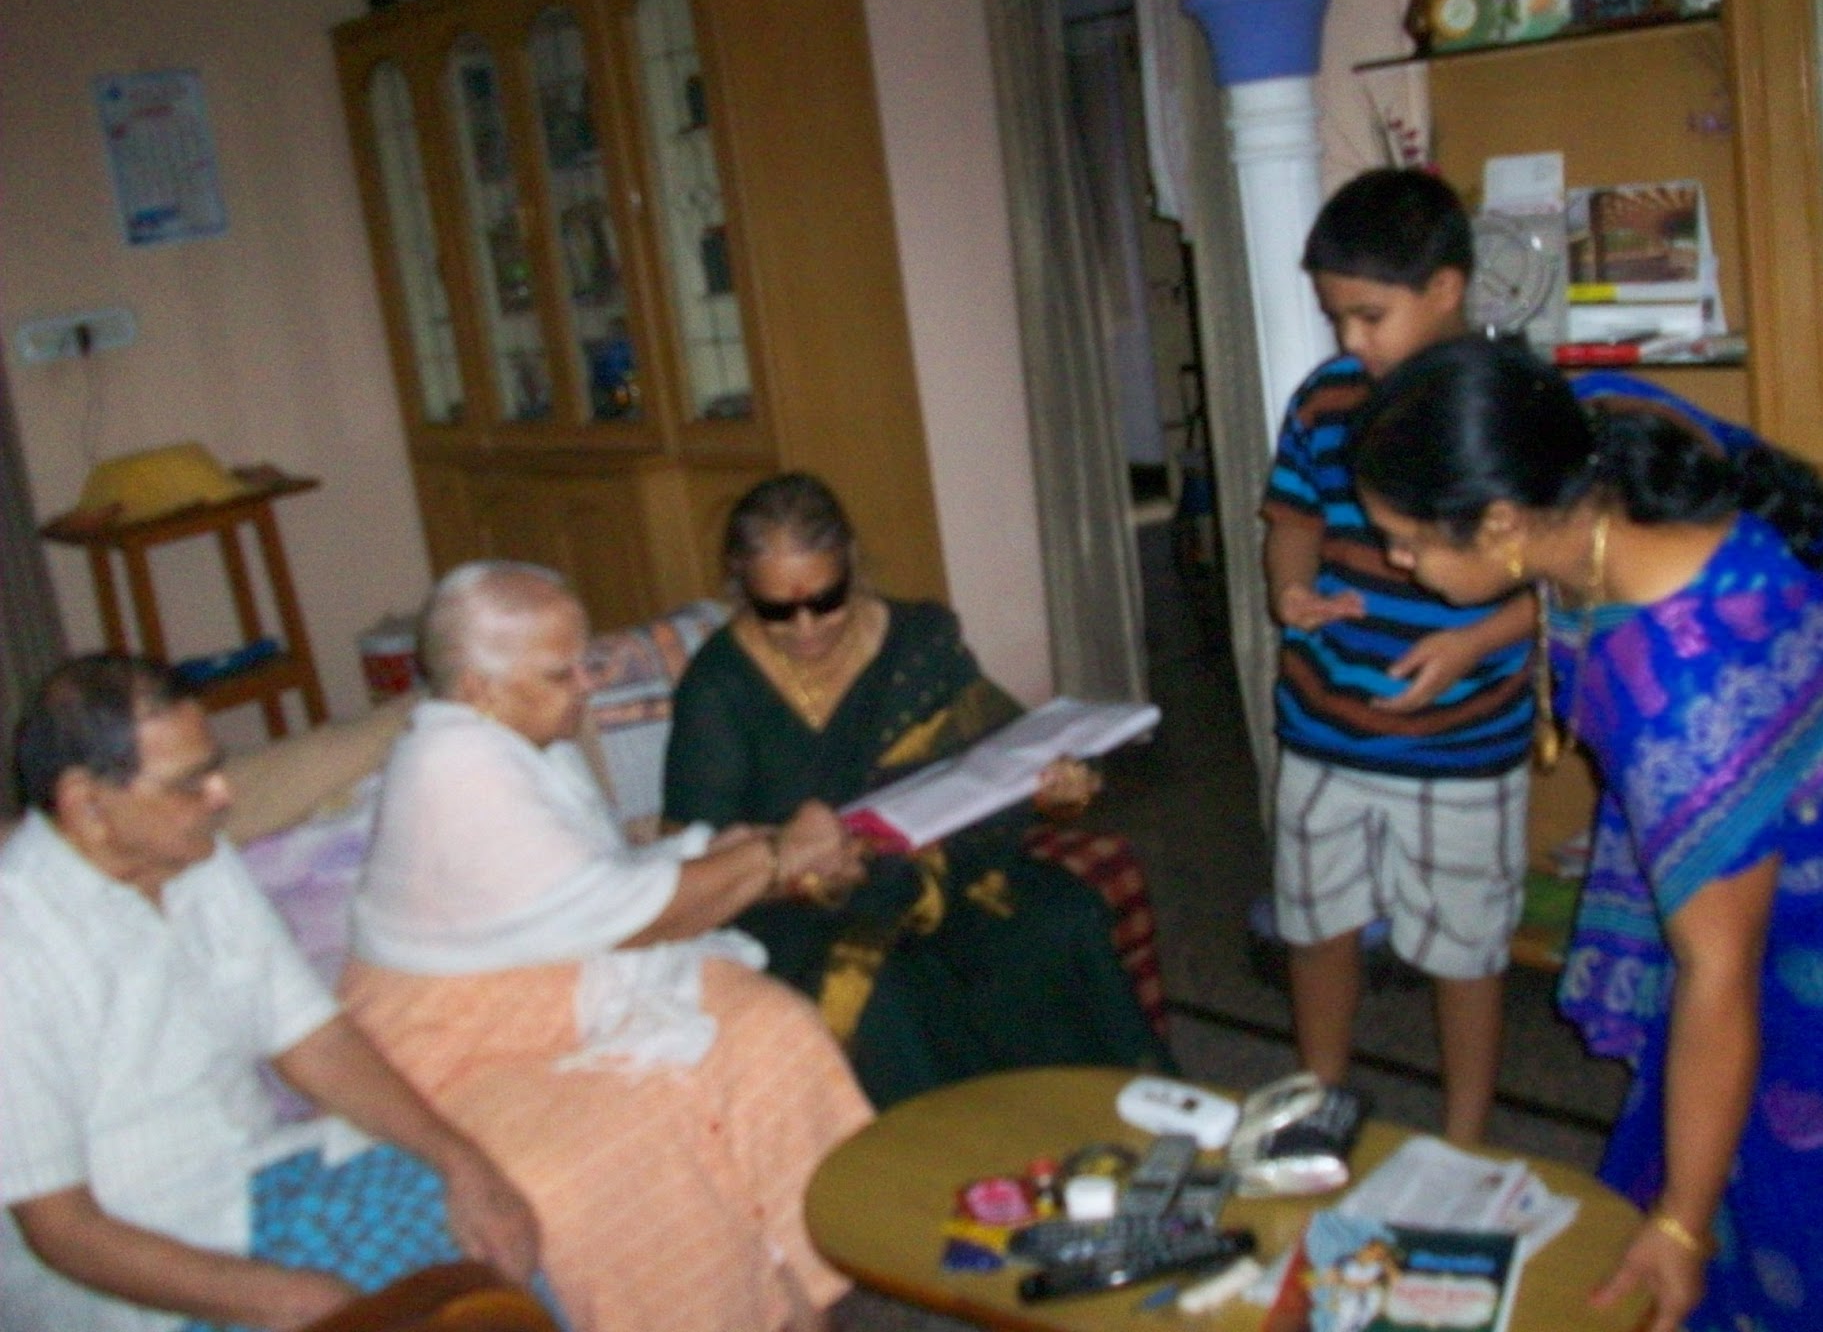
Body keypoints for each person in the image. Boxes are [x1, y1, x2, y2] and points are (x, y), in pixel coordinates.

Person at [1347, 334, 1823, 1332]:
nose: (1396, 561)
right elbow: (1561, 564)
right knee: (1815, 1067)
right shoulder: (1589, 426)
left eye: (1408, 542)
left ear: (1499, 521)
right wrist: (1482, 635)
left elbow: (1717, 975)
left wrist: (1677, 1226)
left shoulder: (1685, 700)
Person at [343, 561, 873, 1332]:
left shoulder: (527, 739)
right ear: (480, 688)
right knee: (628, 1145)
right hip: (459, 1045)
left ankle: (808, 1294)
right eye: (562, 673)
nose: (587, 686)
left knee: (773, 1031)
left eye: (584, 663)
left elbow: (597, 879)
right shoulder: (450, 767)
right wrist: (771, 859)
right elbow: (618, 915)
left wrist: (735, 850)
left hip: (571, 985)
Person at [0, 653, 539, 1332]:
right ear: (86, 803)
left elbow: (309, 1037)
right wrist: (296, 1302)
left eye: (215, 769)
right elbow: (61, 1230)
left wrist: (462, 1164)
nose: (223, 795)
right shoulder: (16, 941)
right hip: (133, 1285)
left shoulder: (194, 857)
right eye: (190, 783)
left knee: (492, 1243)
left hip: (254, 1187)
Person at [660, 471, 1173, 1108]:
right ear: (740, 584)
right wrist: (793, 859)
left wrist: (1052, 790)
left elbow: (997, 758)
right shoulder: (719, 687)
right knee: (892, 1000)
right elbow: (694, 859)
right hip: (803, 910)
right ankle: (967, 1156)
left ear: (851, 564)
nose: (807, 627)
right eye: (776, 610)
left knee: (1060, 921)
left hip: (942, 873)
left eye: (826, 600)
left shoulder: (919, 640)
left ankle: (1113, 1127)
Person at [1263, 167, 1536, 1144]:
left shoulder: (1510, 406)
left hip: (1460, 745)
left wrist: (1475, 641)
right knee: (1313, 927)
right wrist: (1289, 593)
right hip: (1323, 726)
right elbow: (1291, 519)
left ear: (1445, 289)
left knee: (1464, 952)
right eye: (1336, 318)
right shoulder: (1327, 399)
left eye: (1369, 316)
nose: (1351, 341)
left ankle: (1464, 1133)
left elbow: (1562, 575)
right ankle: (1318, 1101)